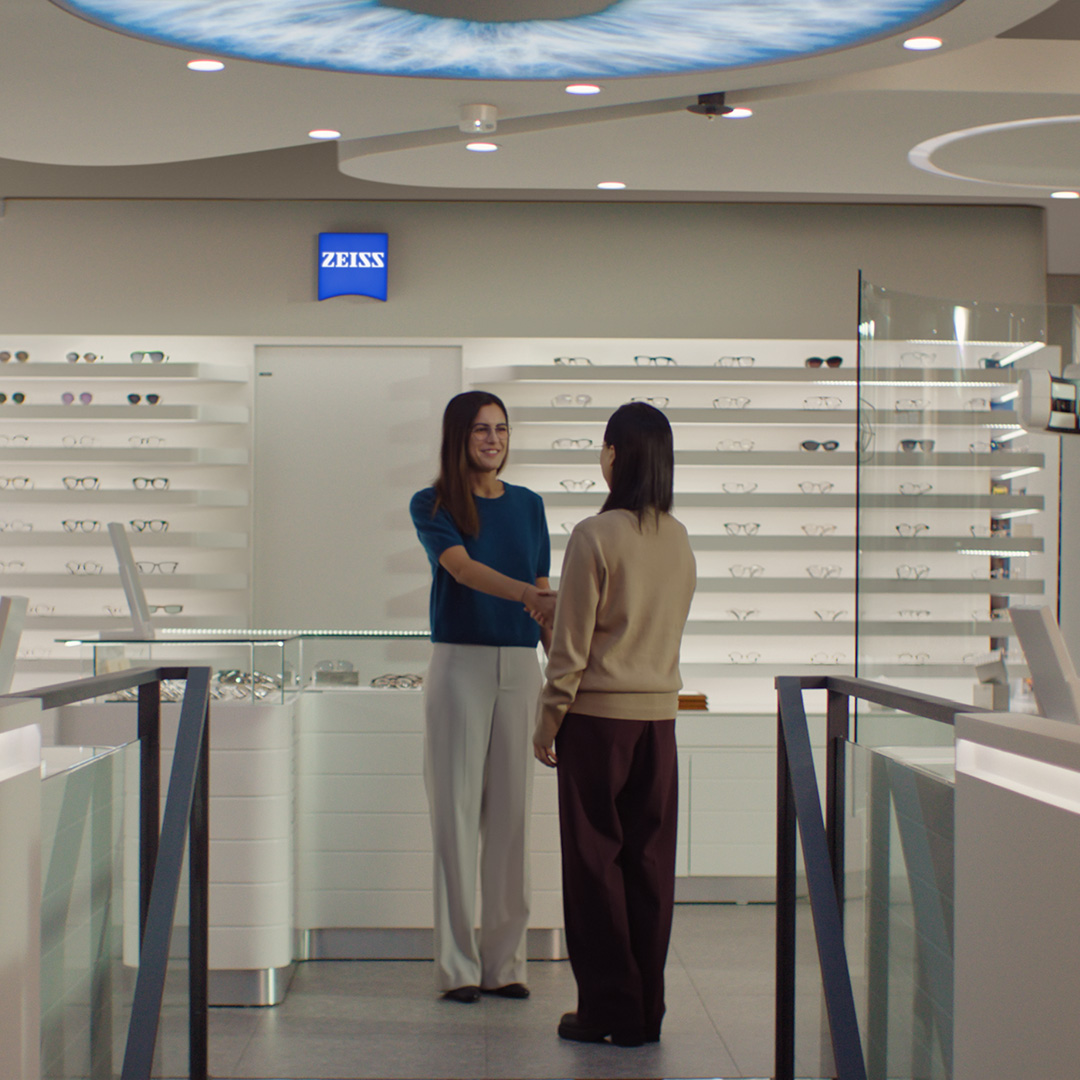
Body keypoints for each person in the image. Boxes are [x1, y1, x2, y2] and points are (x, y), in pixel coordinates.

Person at [533, 401, 696, 1047]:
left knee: (593, 867)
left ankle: (607, 1010)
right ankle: (646, 1009)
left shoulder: (594, 537)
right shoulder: (678, 538)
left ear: (614, 457)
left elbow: (572, 652)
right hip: (660, 721)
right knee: (648, 866)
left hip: (597, 723)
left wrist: (548, 723)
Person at [410, 390, 556, 1004]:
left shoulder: (529, 505)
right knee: (455, 816)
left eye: (500, 429)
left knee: (512, 821)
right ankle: (457, 967)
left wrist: (563, 675)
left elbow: (545, 592)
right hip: (460, 665)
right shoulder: (433, 502)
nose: (493, 439)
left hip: (521, 665)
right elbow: (463, 570)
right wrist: (529, 595)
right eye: (479, 430)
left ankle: (506, 964)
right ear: (457, 436)